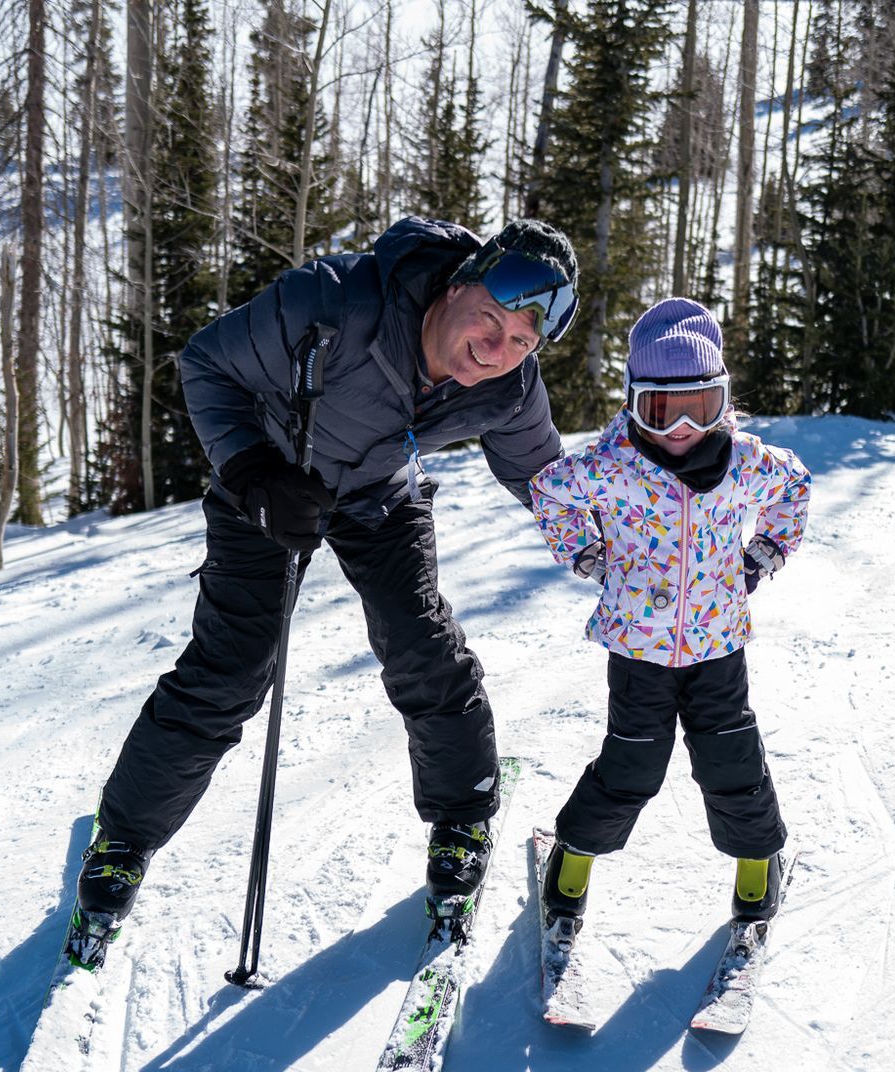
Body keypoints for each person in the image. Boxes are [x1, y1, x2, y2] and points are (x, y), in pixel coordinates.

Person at [66, 217, 581, 968]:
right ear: (463, 280)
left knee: (421, 647)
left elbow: (548, 481)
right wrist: (250, 473)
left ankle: (464, 815)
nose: (495, 350)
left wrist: (625, 550)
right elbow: (208, 363)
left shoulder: (507, 386)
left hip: (379, 499)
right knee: (231, 669)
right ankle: (122, 843)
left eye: (520, 343)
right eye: (492, 321)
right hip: (273, 484)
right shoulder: (334, 305)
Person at [527, 296, 810, 933]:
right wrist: (589, 557)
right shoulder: (611, 467)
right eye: (661, 407)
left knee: (731, 762)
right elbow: (549, 492)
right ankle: (573, 861)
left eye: (700, 406)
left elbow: (793, 487)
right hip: (639, 653)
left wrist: (761, 556)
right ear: (633, 401)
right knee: (632, 766)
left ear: (722, 402)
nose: (681, 424)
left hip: (717, 650)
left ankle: (756, 869)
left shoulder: (744, 462)